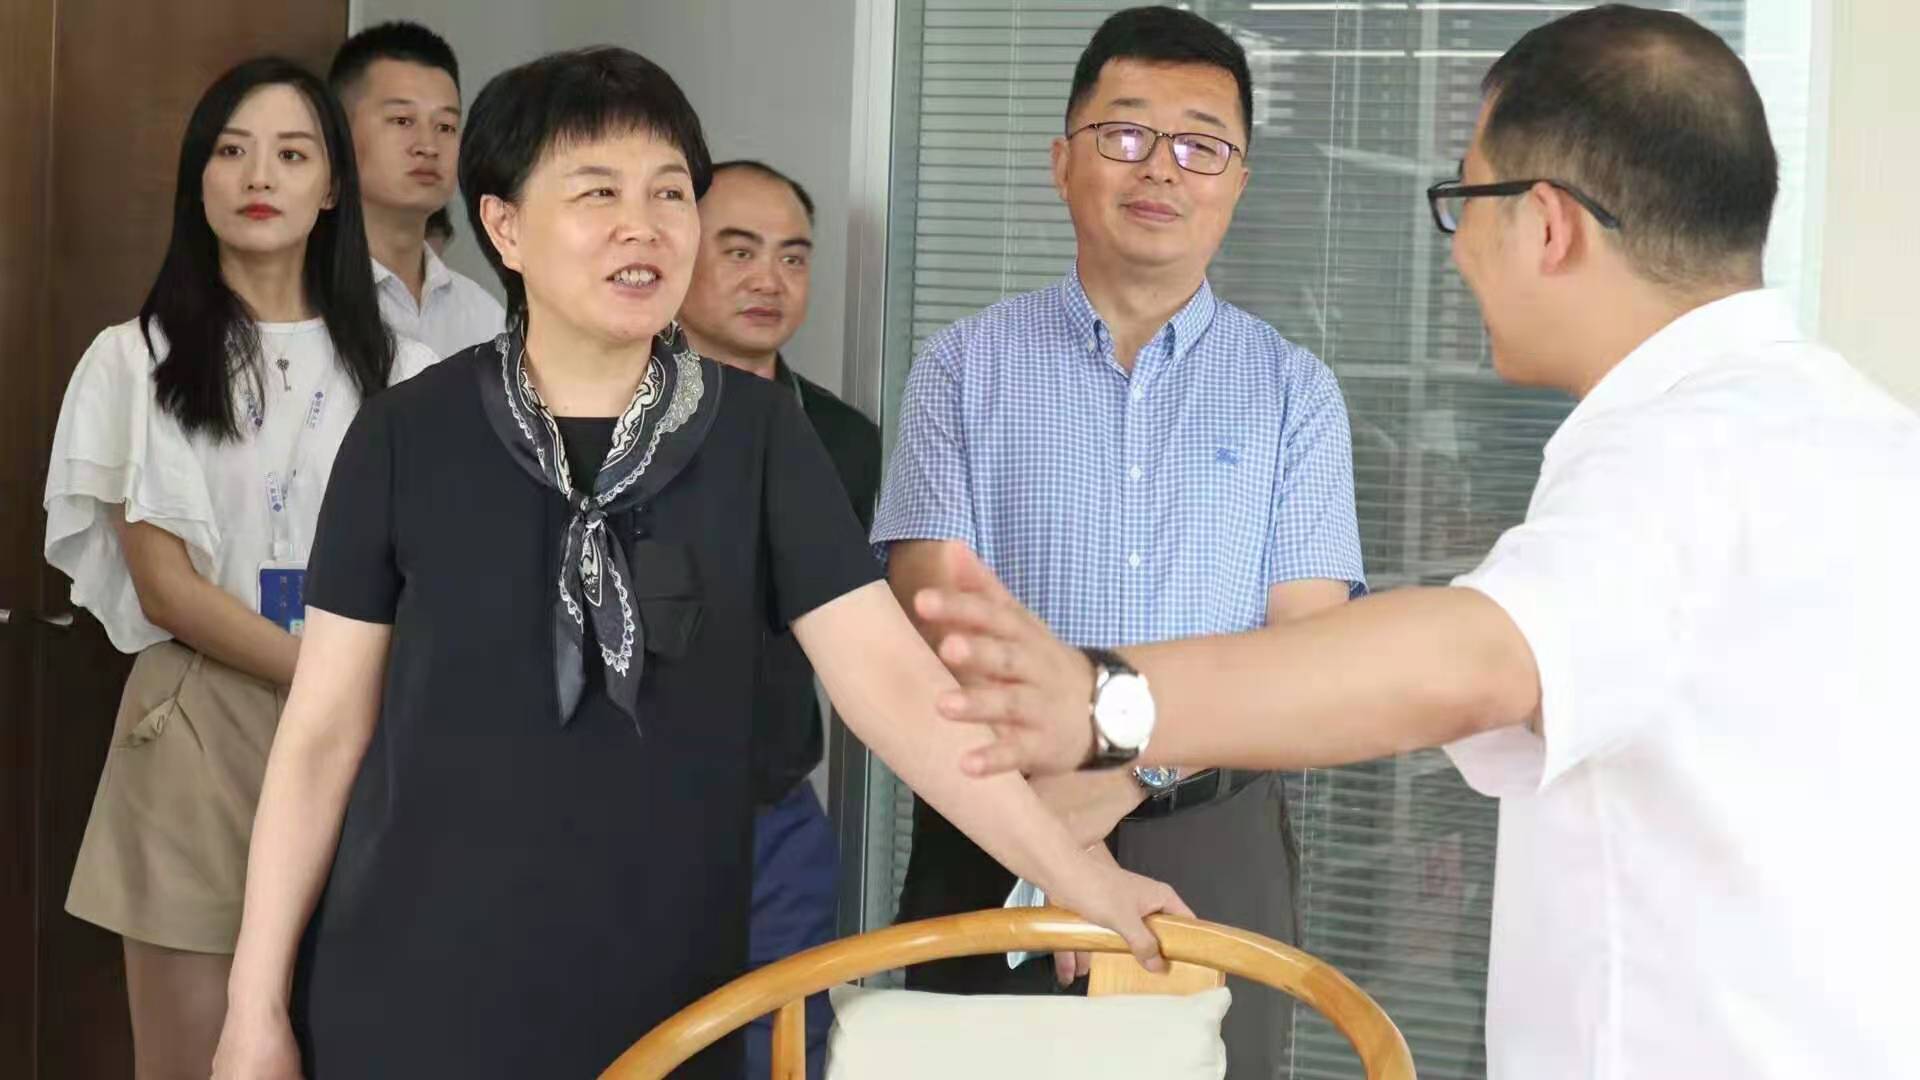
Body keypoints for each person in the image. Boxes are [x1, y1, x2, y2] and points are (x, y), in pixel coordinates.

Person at [911, 7, 1920, 1078]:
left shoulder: (1677, 460)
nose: (1458, 253)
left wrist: (1101, 703)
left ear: (1546, 226)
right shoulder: (1864, 435)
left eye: (1463, 201)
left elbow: (1473, 660)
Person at [208, 47, 1183, 1080]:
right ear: (505, 226)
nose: (644, 225)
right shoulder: (406, 435)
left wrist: (1079, 875)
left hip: (668, 997)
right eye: (598, 192)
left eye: (670, 192)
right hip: (411, 989)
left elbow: (896, 689)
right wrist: (253, 1006)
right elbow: (322, 736)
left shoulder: (757, 438)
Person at [870, 7, 1361, 1072]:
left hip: (1211, 838)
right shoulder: (963, 368)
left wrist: (1117, 778)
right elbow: (935, 614)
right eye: (1127, 133)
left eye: (1201, 144)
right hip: (991, 818)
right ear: (1063, 162)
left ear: (1238, 182)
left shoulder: (1295, 393)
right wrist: (1044, 820)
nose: (1162, 168)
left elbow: (1308, 652)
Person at [41, 58, 435, 1080]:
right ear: (199, 177)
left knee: (367, 1038)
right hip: (200, 717)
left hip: (371, 728)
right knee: (198, 1055)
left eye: (292, 154)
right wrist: (328, 678)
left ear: (332, 185)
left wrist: (360, 695)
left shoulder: (409, 370)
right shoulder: (134, 358)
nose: (260, 175)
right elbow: (165, 587)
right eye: (231, 150)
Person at [679, 159, 880, 1079]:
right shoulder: (608, 417)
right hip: (632, 813)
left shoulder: (843, 441)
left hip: (777, 809)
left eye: (793, 258)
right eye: (740, 252)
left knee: (784, 1053)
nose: (770, 279)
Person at [329, 21, 506, 356]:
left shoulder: (482, 317)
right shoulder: (299, 303)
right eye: (402, 121)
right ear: (337, 133)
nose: (428, 146)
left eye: (446, 126)